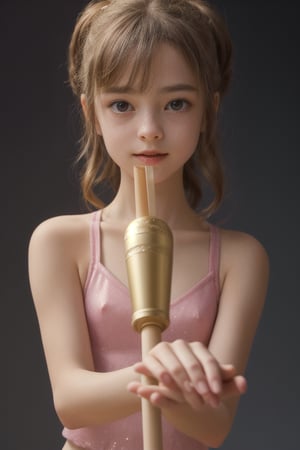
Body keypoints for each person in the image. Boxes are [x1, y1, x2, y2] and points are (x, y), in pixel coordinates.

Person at [28, 1, 269, 449]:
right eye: (122, 104)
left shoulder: (241, 258)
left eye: (176, 103)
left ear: (208, 109)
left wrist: (172, 385)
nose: (149, 129)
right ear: (91, 113)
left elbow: (214, 426)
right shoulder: (60, 242)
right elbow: (71, 400)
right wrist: (168, 373)